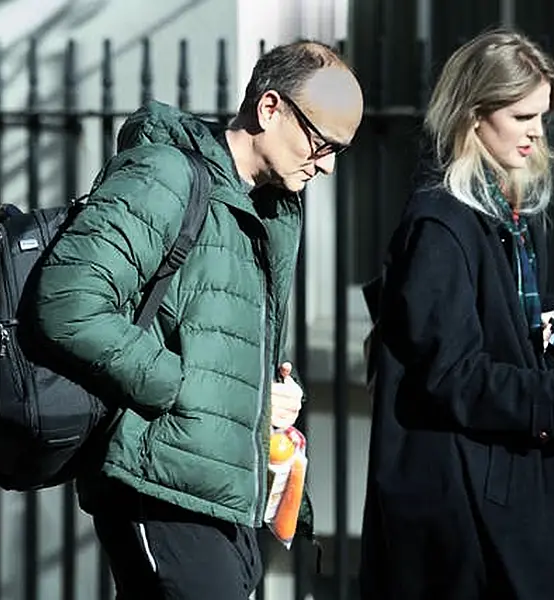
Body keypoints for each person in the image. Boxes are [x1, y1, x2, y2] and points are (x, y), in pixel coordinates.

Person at [24, 41, 364, 599]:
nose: (326, 164)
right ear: (270, 107)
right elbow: (68, 303)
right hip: (157, 482)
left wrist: (267, 393)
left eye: (338, 152)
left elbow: (218, 337)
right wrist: (183, 387)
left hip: (224, 492)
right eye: (321, 142)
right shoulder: (164, 174)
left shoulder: (270, 206)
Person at [358, 28, 554, 600]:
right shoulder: (441, 225)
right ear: (474, 115)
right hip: (469, 517)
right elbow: (454, 375)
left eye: (541, 116)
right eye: (522, 116)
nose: (537, 132)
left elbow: (497, 331)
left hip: (504, 495)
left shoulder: (506, 213)